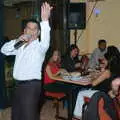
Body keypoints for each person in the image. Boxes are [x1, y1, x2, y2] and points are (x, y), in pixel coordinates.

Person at [1, 2, 52, 120]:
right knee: (17, 115)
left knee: (29, 116)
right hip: (18, 85)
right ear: (24, 31)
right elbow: (4, 50)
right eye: (29, 28)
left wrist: (44, 21)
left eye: (35, 29)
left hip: (31, 86)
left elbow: (46, 40)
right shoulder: (19, 45)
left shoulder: (40, 47)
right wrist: (17, 40)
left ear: (38, 33)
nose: (31, 31)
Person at [74, 45, 120, 119]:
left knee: (81, 92)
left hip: (101, 94)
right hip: (107, 92)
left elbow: (93, 83)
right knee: (83, 90)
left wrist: (93, 77)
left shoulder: (107, 71)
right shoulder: (115, 69)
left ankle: (78, 116)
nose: (103, 60)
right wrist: (101, 73)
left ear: (109, 60)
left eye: (104, 59)